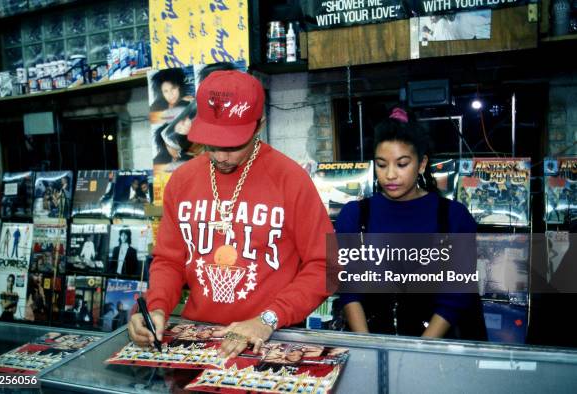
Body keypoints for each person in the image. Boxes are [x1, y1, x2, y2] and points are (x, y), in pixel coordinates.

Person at [129, 70, 333, 358]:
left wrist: (268, 319)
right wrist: (157, 308)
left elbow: (326, 265)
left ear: (259, 125)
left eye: (234, 145)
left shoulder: (290, 179)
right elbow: (169, 261)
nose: (221, 156)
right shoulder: (183, 180)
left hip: (270, 339)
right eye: (212, 144)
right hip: (198, 339)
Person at [336, 107, 487, 340]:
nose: (390, 175)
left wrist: (417, 352)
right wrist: (367, 346)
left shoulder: (453, 218)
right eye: (381, 164)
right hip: (371, 343)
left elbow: (455, 296)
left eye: (402, 163)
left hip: (436, 350)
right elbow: (348, 288)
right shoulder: (354, 216)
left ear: (422, 163)